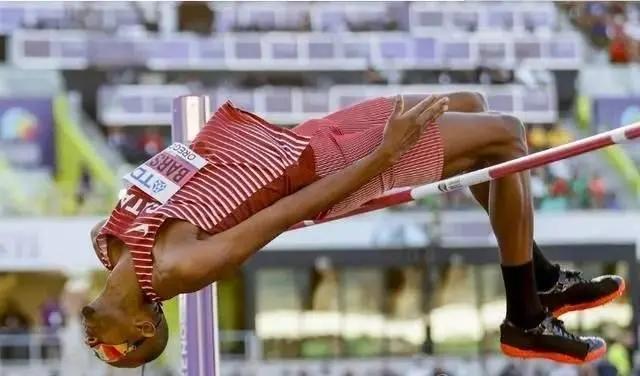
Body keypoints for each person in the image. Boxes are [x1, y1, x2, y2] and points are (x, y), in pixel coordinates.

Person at [84, 93, 625, 368]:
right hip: (333, 169)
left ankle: (543, 279)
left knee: (472, 106)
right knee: (506, 136)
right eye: (118, 347)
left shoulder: (109, 239)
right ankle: (525, 314)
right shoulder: (184, 267)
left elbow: (188, 179)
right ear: (142, 324)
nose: (94, 338)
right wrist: (387, 152)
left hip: (300, 140)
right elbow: (292, 208)